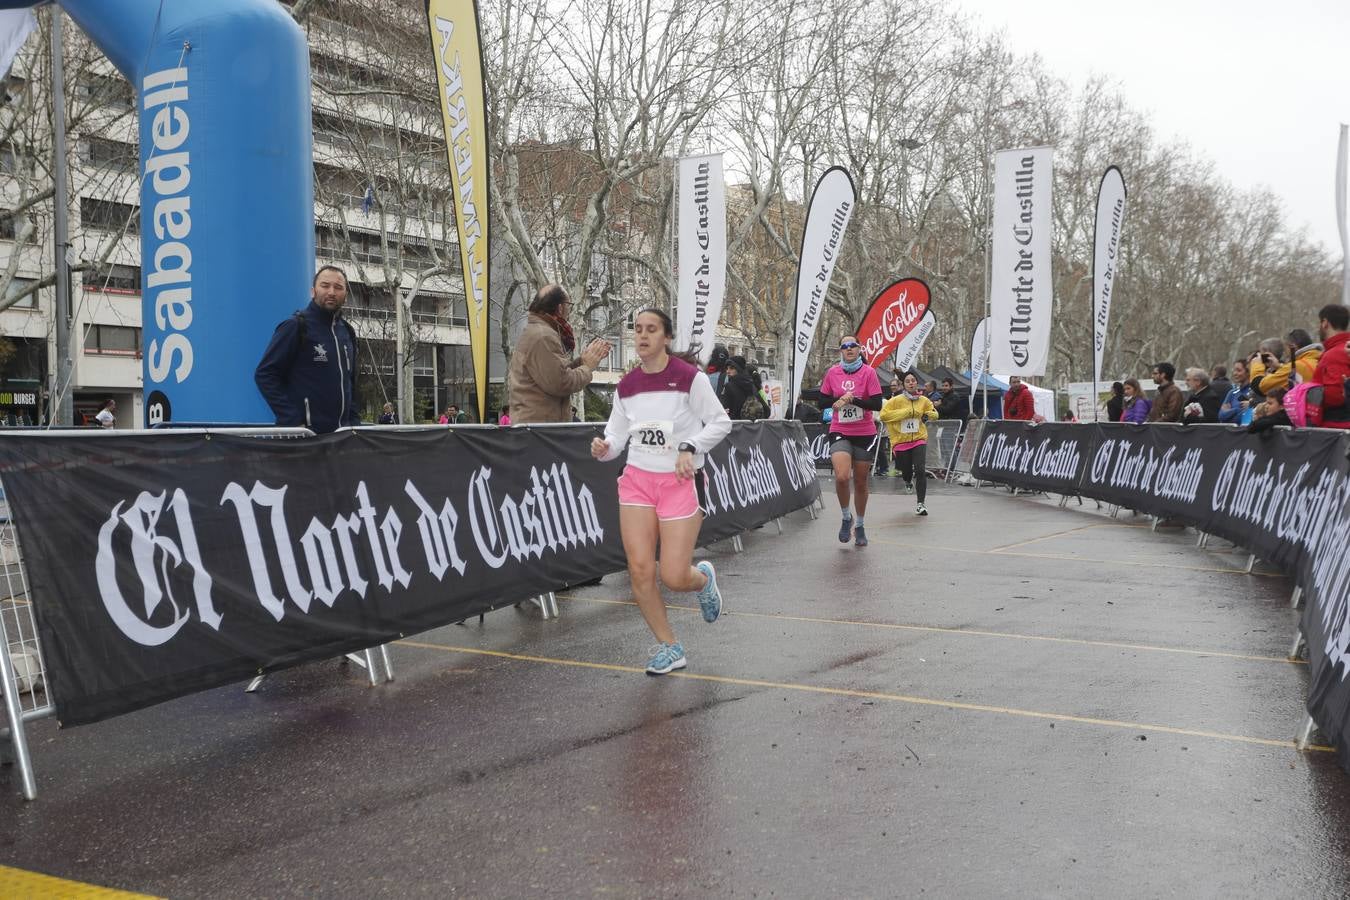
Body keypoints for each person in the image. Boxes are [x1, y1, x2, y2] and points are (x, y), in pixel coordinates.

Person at [590, 308, 732, 675]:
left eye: (651, 330)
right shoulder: (627, 386)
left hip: (679, 482)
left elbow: (721, 423)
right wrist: (606, 449)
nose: (642, 336)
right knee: (639, 569)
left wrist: (690, 447)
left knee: (673, 575)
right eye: (637, 330)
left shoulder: (689, 378)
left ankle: (701, 580)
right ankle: (670, 647)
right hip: (637, 480)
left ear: (666, 337)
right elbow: (618, 437)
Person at [255, 265, 360, 433]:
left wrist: (354, 423)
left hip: (342, 439)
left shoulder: (347, 331)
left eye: (338, 287)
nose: (331, 292)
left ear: (346, 295)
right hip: (305, 439)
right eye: (325, 285)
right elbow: (265, 374)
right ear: (313, 291)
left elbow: (350, 383)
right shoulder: (295, 326)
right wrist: (293, 421)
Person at [508, 284, 611, 424]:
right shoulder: (543, 336)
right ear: (560, 307)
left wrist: (582, 361)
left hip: (536, 428)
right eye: (569, 305)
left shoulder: (538, 331)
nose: (569, 310)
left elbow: (555, 373)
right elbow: (561, 383)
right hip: (539, 432)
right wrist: (587, 368)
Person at [818, 336, 883, 547]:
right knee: (842, 477)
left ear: (859, 349)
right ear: (841, 351)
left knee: (861, 481)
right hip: (840, 430)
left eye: (852, 346)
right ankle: (847, 518)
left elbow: (877, 404)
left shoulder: (869, 372)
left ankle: (861, 524)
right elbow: (822, 400)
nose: (849, 349)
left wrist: (852, 398)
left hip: (864, 432)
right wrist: (837, 401)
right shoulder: (833, 372)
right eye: (844, 347)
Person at [880, 371, 939, 515]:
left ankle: (921, 504)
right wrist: (905, 413)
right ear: (903, 385)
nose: (911, 383)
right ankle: (907, 481)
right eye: (908, 381)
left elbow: (935, 414)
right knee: (906, 471)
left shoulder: (923, 400)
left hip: (919, 439)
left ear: (916, 383)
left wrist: (928, 414)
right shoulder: (895, 401)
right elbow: (884, 416)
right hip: (901, 441)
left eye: (913, 380)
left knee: (920, 469)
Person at [1311, 304, 1350, 429]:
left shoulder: (1334, 354)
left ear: (1325, 323)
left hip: (1335, 427)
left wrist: (1308, 395)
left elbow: (1335, 396)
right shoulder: (1340, 350)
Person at [1218, 359, 1251, 425]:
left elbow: (1243, 418)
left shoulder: (1253, 392)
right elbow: (1221, 416)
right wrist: (1237, 410)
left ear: (1248, 372)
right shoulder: (1232, 393)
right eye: (1234, 370)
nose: (1235, 373)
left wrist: (1229, 411)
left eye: (1239, 370)